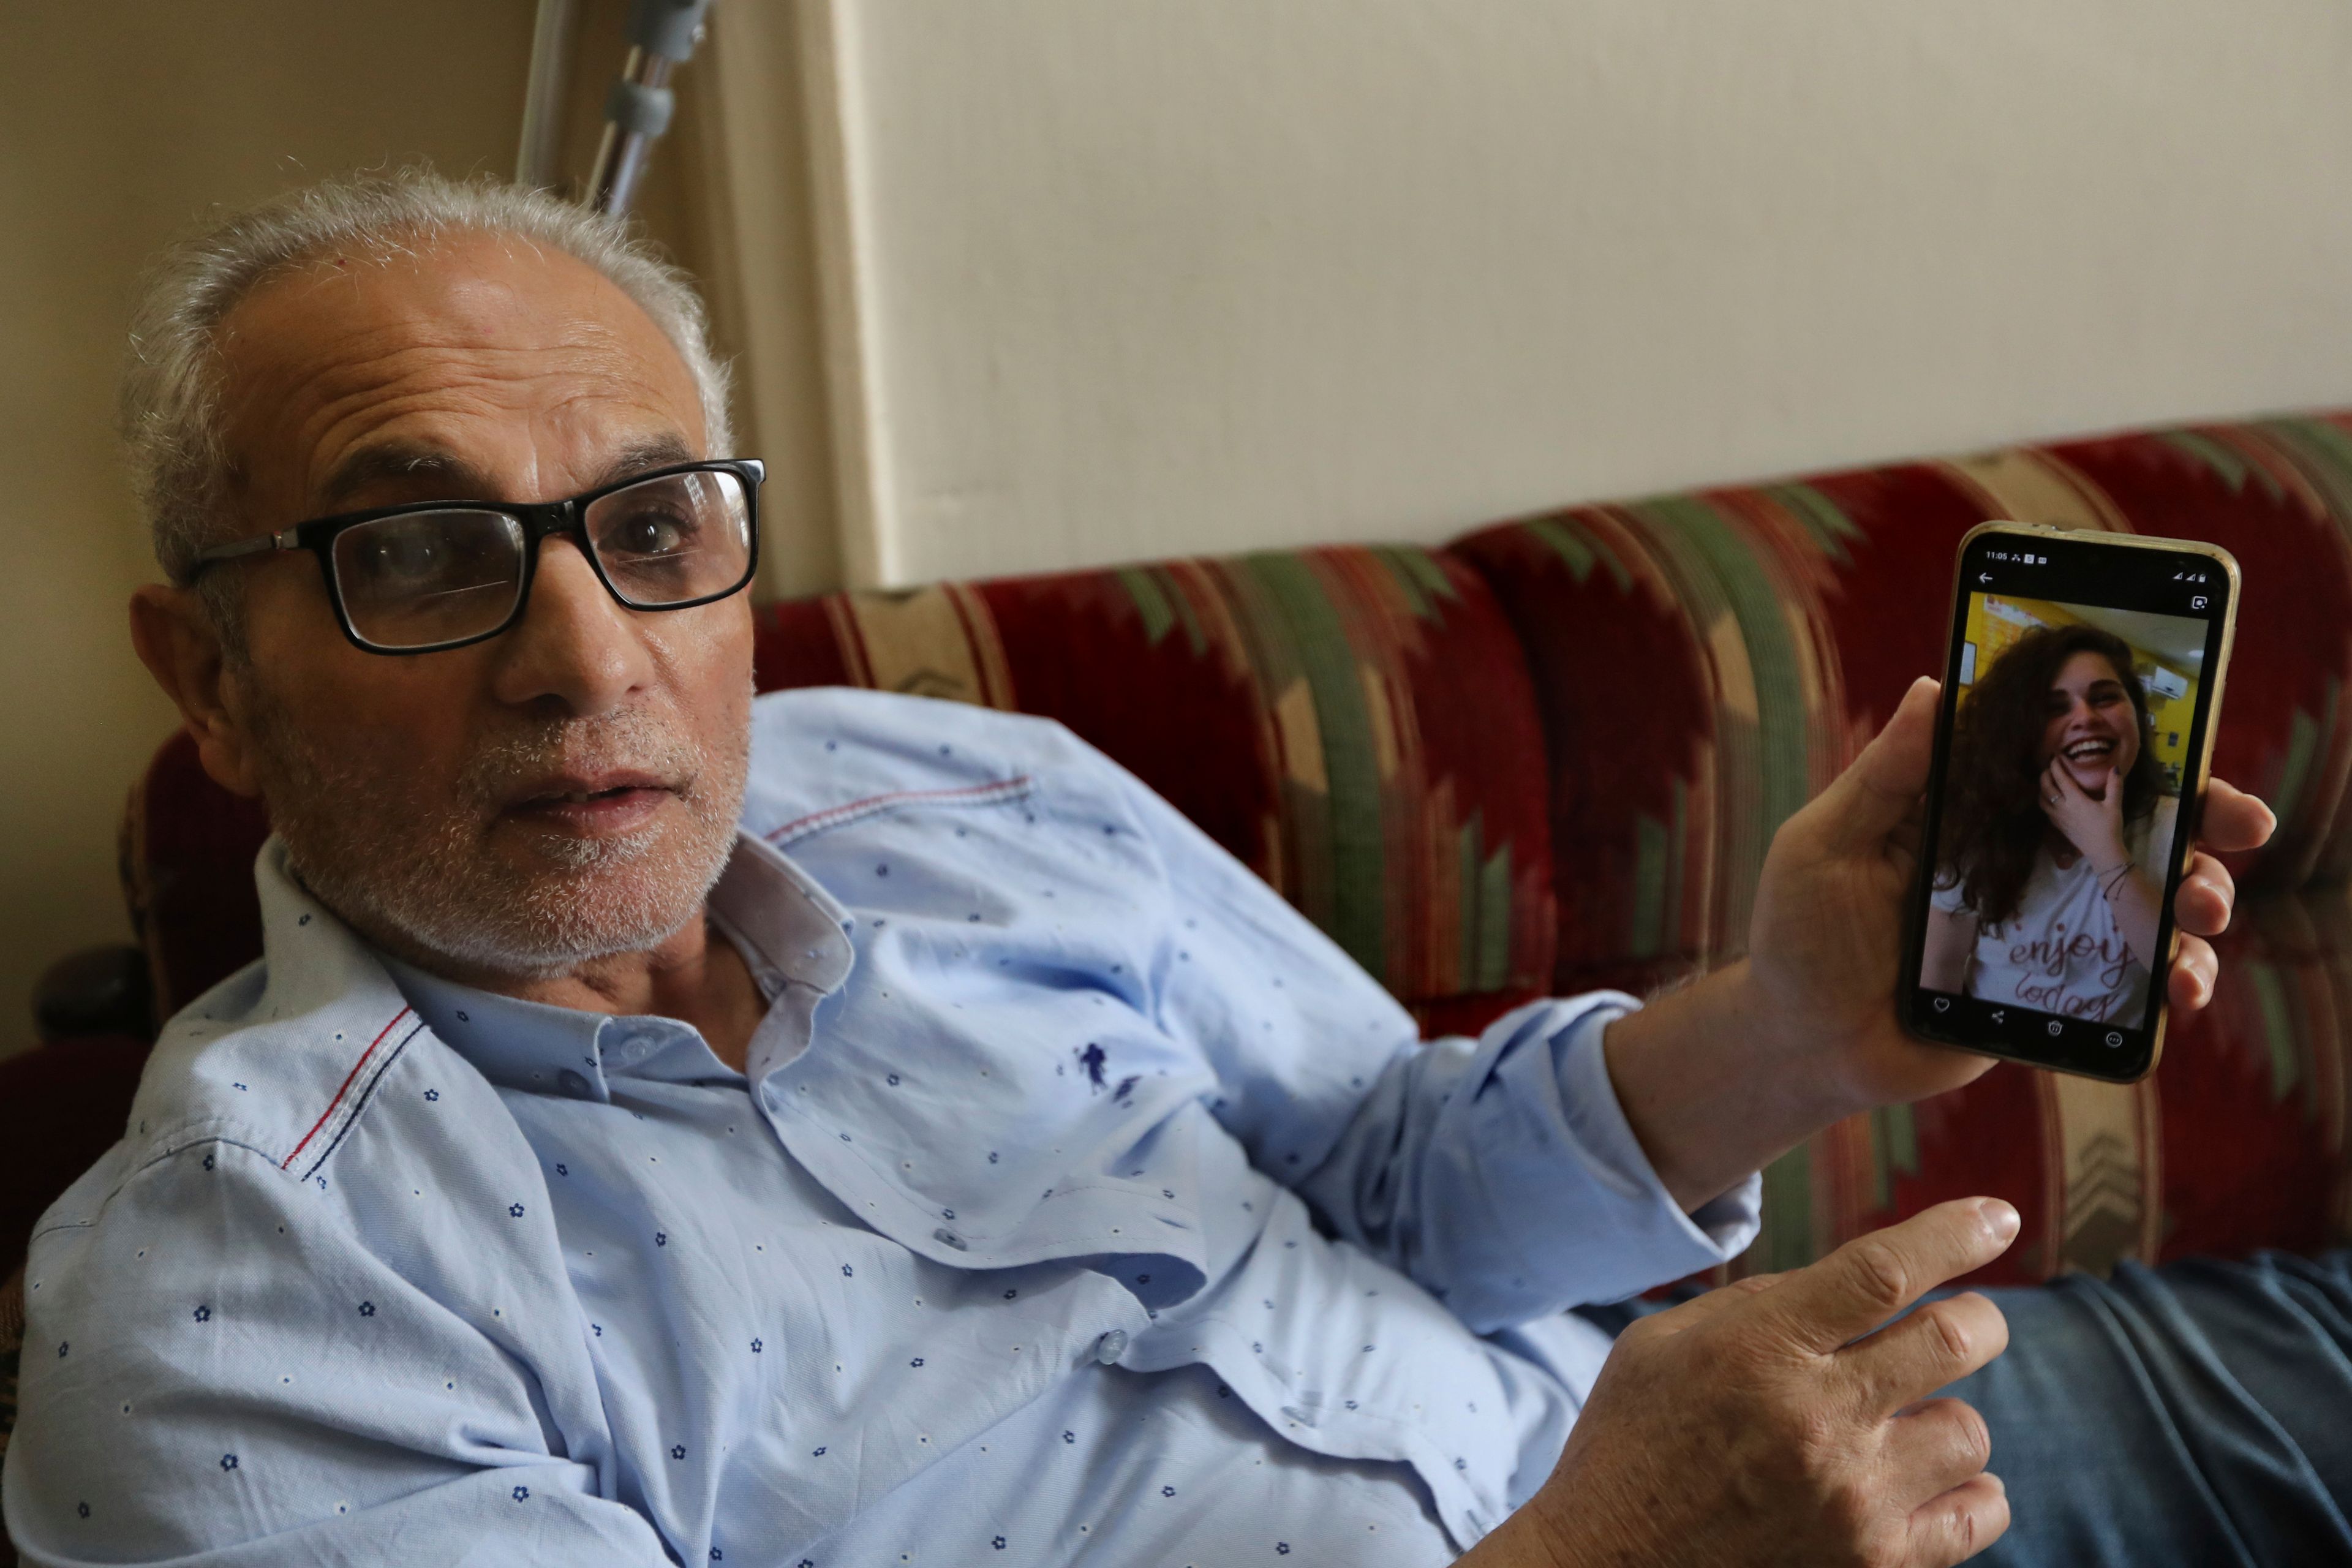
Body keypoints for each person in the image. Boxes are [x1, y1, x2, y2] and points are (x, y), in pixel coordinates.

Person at [0, 171, 2325, 1568]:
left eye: (649, 525)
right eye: (416, 548)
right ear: (210, 677)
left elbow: (1382, 1168)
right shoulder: (244, 1305)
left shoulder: (936, 786)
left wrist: (1784, 1028)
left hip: (1738, 1454)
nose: (583, 655)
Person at [1921, 624, 2179, 1028]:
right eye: (2055, 707)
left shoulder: (2173, 827)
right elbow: (1940, 972)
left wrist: (2103, 848)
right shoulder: (1971, 830)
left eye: (2105, 697)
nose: (2086, 718)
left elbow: (2173, 970)